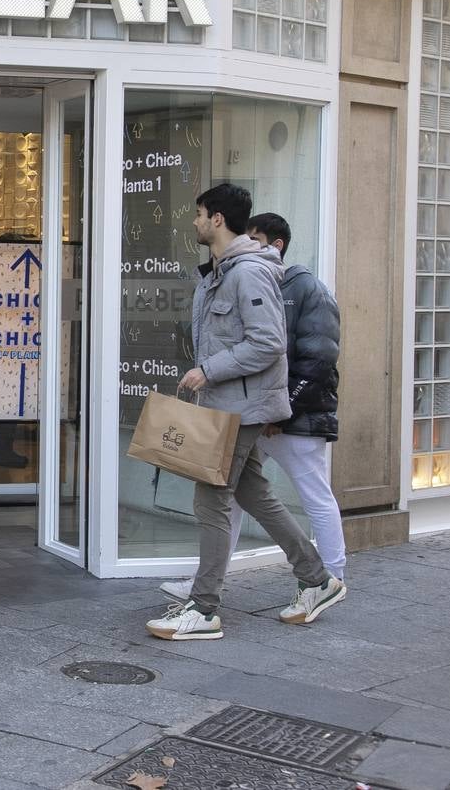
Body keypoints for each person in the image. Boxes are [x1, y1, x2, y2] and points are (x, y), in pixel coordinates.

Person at [145, 185, 345, 642]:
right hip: (229, 406)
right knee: (255, 493)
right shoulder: (221, 271)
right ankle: (317, 579)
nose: (193, 222)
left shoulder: (248, 273)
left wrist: (207, 371)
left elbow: (268, 344)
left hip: (242, 406)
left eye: (198, 214)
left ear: (217, 219)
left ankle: (204, 608)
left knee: (212, 499)